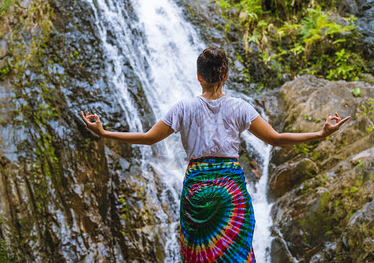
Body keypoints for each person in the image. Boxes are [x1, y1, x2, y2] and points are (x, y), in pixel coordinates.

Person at [81, 46, 350, 262]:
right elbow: (275, 139)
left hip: (196, 190)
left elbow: (149, 138)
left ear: (199, 76)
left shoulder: (183, 108)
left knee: (200, 255)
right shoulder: (240, 108)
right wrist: (320, 134)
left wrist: (105, 133)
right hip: (230, 192)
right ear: (226, 75)